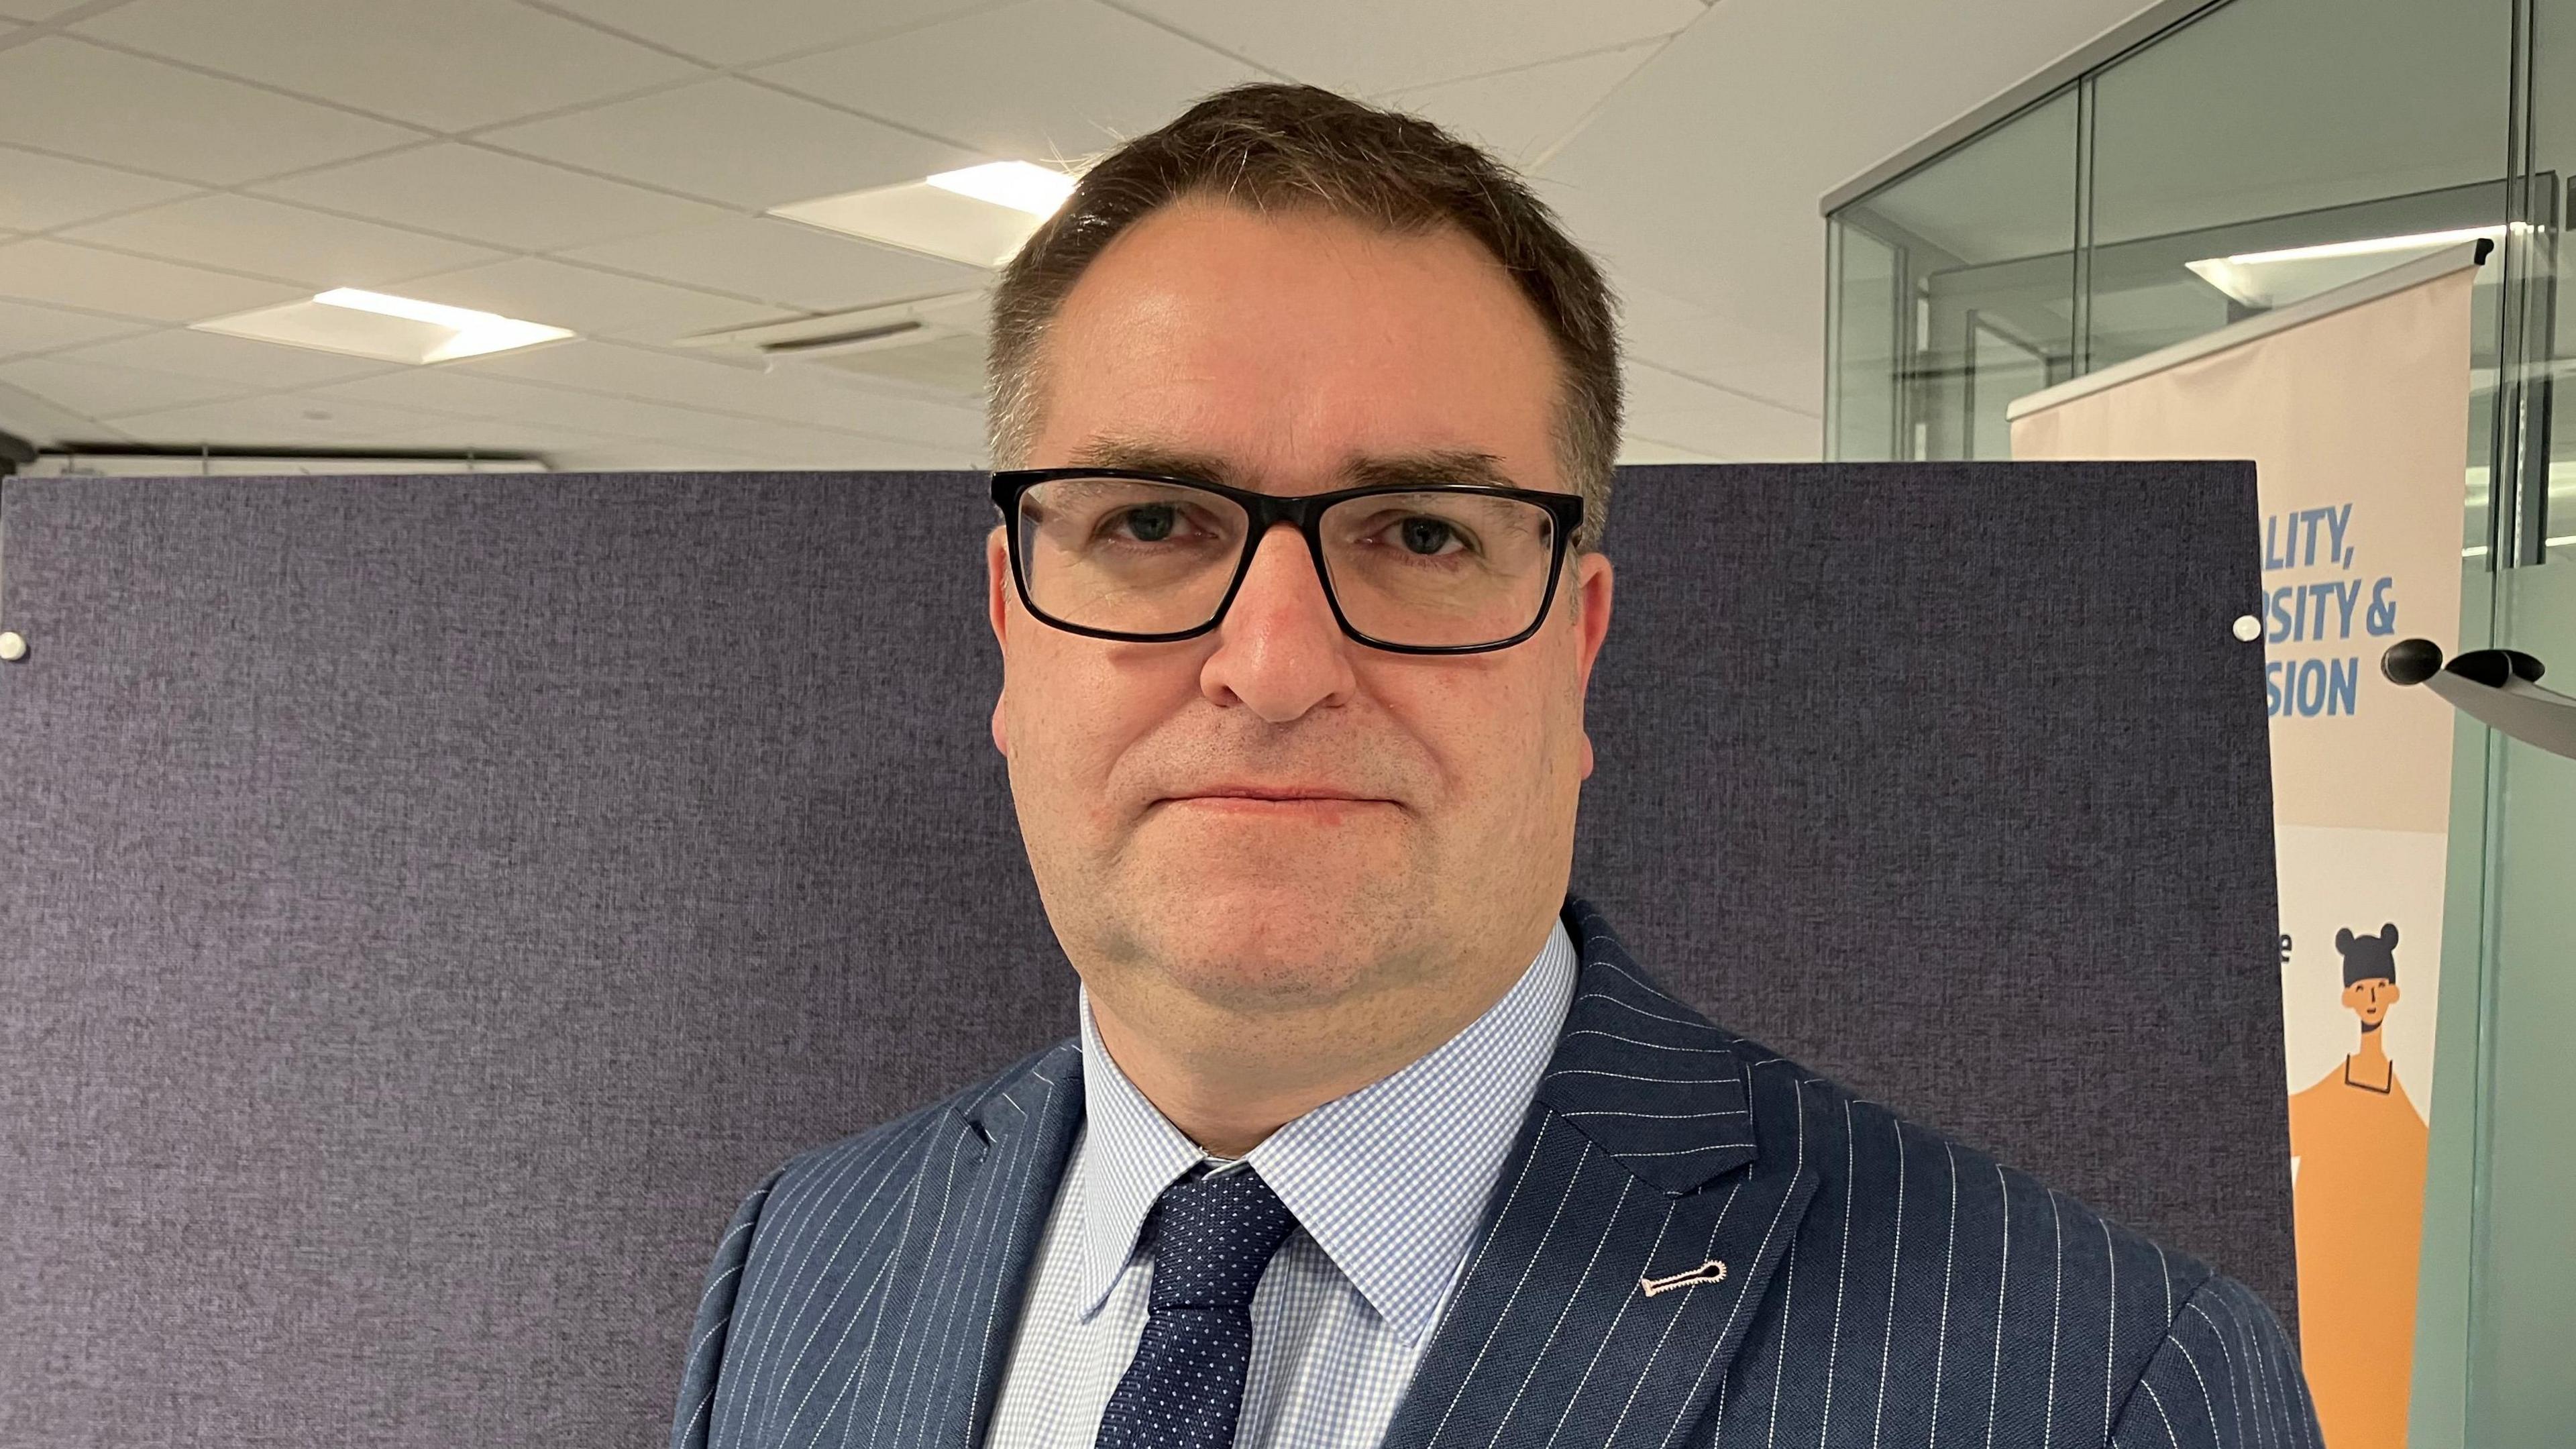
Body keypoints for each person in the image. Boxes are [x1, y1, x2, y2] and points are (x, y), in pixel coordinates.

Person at [669, 83, 2320, 1449]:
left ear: (1575, 642)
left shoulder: (2091, 1376)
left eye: (1419, 532)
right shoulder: (808, 1259)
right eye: (1152, 522)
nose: (1273, 663)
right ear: (1011, 631)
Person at [2287, 924, 2427, 1449]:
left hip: (2380, 1286)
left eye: (2378, 988)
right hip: (2326, 1277)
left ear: (2390, 993)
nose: (2370, 998)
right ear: (2350, 998)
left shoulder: (2404, 1108)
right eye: (2361, 989)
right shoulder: (2331, 1092)